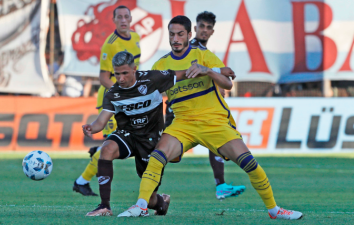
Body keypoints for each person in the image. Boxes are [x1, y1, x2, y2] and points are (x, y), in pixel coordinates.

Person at [118, 16, 303, 220]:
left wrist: (207, 71)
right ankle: (141, 205)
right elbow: (149, 95)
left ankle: (274, 210)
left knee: (250, 163)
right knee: (157, 157)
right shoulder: (161, 64)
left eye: (180, 34)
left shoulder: (203, 55)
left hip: (213, 122)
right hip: (183, 123)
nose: (175, 39)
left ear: (189, 35)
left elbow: (228, 83)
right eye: (172, 34)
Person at [83, 51, 210, 216]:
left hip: (151, 142)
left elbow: (184, 74)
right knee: (106, 149)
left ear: (134, 69)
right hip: (128, 135)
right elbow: (101, 122)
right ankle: (104, 206)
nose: (120, 78)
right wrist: (91, 128)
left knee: (150, 199)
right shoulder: (113, 93)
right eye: (117, 74)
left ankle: (162, 203)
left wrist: (215, 72)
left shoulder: (152, 79)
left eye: (124, 73)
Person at [73, 5, 141, 196]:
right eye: (119, 17)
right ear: (114, 20)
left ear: (131, 18)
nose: (123, 20)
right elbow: (103, 77)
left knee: (118, 142)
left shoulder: (136, 38)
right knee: (111, 144)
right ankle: (83, 183)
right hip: (112, 98)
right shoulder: (110, 44)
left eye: (126, 17)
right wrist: (122, 93)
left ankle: (83, 178)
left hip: (128, 96)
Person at [190, 11, 246, 199]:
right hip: (186, 109)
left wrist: (217, 81)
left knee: (216, 144)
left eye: (208, 28)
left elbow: (218, 78)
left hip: (202, 108)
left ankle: (221, 185)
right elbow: (194, 71)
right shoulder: (191, 50)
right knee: (166, 153)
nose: (204, 31)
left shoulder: (206, 53)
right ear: (195, 28)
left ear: (212, 31)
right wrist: (217, 72)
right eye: (201, 27)